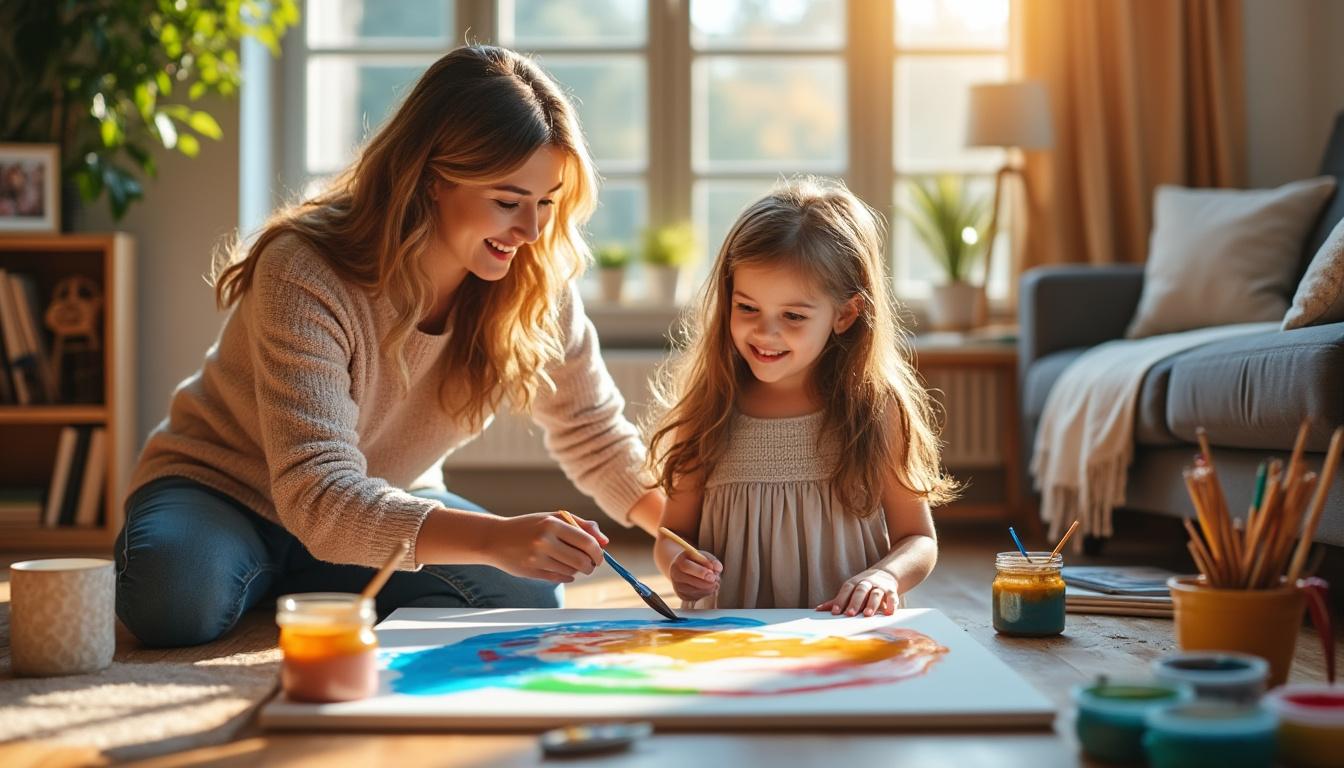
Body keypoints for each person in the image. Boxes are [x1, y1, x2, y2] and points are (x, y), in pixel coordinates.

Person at [116, 45, 664, 647]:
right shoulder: (305, 269)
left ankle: (297, 582)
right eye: (507, 202)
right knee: (173, 601)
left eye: (545, 204)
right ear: (432, 177)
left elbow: (591, 427)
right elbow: (319, 492)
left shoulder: (533, 281)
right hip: (224, 488)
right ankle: (261, 573)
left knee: (527, 592)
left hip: (378, 498)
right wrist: (492, 537)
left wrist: (669, 529)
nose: (531, 231)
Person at [647, 177, 958, 616]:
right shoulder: (709, 409)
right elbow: (671, 533)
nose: (765, 332)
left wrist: (886, 576)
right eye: (747, 307)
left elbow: (919, 539)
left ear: (846, 314)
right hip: (730, 644)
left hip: (843, 640)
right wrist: (678, 563)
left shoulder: (874, 409)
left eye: (793, 315)